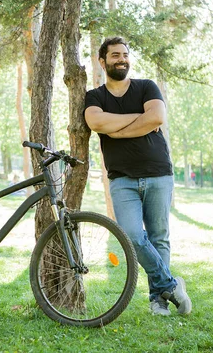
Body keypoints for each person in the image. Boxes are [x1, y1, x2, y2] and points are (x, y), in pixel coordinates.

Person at [84, 36, 192, 316]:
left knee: (159, 237)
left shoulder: (146, 87)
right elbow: (96, 121)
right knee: (132, 235)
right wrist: (138, 121)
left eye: (125, 54)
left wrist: (115, 129)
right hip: (121, 180)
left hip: (158, 174)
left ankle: (159, 300)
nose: (121, 59)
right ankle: (169, 284)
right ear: (102, 61)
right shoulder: (94, 96)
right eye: (115, 55)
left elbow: (156, 118)